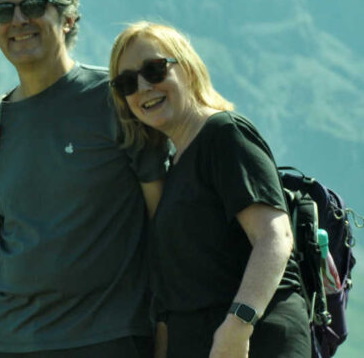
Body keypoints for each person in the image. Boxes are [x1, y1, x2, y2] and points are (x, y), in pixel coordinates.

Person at [0, 0, 168, 357]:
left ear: (68, 17)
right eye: (4, 11)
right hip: (14, 343)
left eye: (34, 5)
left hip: (108, 339)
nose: (19, 20)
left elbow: (167, 222)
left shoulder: (117, 98)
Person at [108, 22, 312, 358]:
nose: (143, 87)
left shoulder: (224, 134)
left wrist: (238, 326)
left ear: (186, 68)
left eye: (155, 69)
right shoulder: (175, 166)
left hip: (255, 342)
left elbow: (275, 237)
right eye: (127, 83)